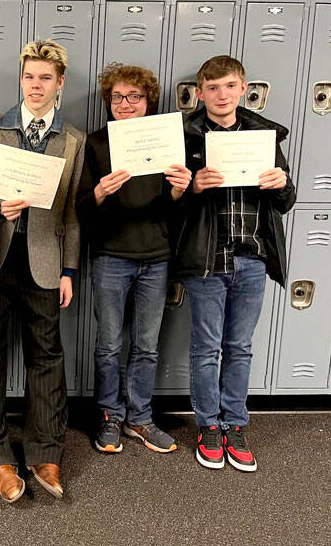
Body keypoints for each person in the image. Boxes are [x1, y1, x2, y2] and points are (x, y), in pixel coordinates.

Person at [0, 40, 85, 503]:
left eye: (45, 79)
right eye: (29, 77)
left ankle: (46, 452)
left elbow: (71, 214)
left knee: (46, 358)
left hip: (44, 264)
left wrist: (70, 270)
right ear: (21, 80)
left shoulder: (70, 140)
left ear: (59, 84)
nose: (36, 86)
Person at [177, 55, 295, 472]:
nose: (221, 95)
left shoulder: (263, 135)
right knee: (206, 348)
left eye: (229, 86)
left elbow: (285, 200)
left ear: (243, 88)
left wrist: (282, 184)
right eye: (212, 88)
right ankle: (209, 426)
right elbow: (168, 206)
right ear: (201, 92)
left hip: (251, 259)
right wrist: (192, 187)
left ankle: (235, 424)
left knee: (239, 347)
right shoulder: (187, 136)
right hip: (206, 260)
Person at [75, 63, 191, 455]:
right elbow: (80, 209)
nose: (125, 104)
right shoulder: (96, 144)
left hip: (155, 258)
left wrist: (179, 194)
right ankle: (110, 415)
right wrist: (101, 194)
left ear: (148, 100)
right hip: (111, 257)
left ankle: (140, 417)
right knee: (108, 344)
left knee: (146, 345)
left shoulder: (166, 141)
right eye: (118, 97)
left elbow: (178, 212)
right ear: (108, 101)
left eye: (134, 97)